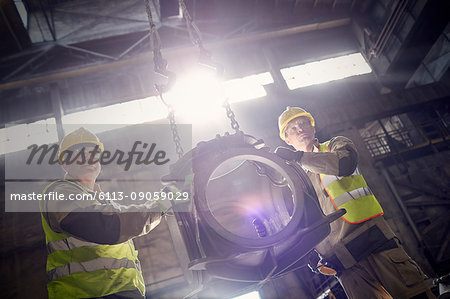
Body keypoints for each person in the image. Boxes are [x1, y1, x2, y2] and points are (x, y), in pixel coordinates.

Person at [275, 107, 435, 299]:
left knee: (414, 295)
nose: (299, 129)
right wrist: (308, 250)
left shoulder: (337, 144)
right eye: (292, 128)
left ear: (312, 127)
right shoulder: (296, 180)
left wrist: (299, 159)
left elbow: (345, 165)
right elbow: (302, 219)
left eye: (303, 123)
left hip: (372, 238)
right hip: (341, 259)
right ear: (287, 139)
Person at [40, 127, 162, 299]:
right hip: (85, 294)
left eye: (93, 154)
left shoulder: (103, 201)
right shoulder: (59, 193)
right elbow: (106, 227)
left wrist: (162, 204)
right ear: (65, 163)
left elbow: (125, 219)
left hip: (123, 292)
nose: (89, 159)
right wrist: (160, 206)